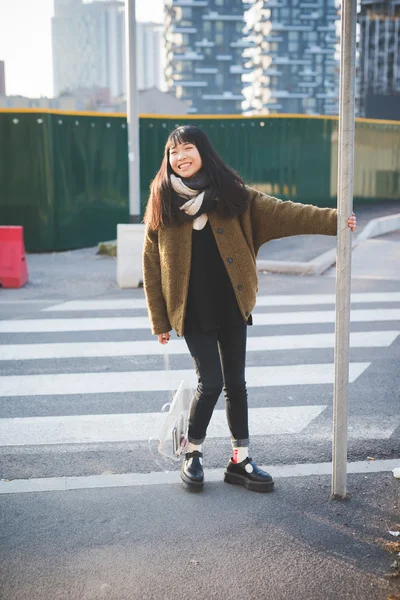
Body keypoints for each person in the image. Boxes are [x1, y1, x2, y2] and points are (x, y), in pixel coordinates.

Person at [142, 124, 356, 494]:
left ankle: (240, 459)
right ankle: (192, 453)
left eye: (187, 149)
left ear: (203, 152)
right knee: (210, 382)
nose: (179, 157)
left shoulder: (233, 196)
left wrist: (335, 220)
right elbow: (150, 263)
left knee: (236, 384)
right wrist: (159, 320)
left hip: (231, 303)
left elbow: (286, 212)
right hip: (190, 310)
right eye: (173, 152)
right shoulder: (162, 201)